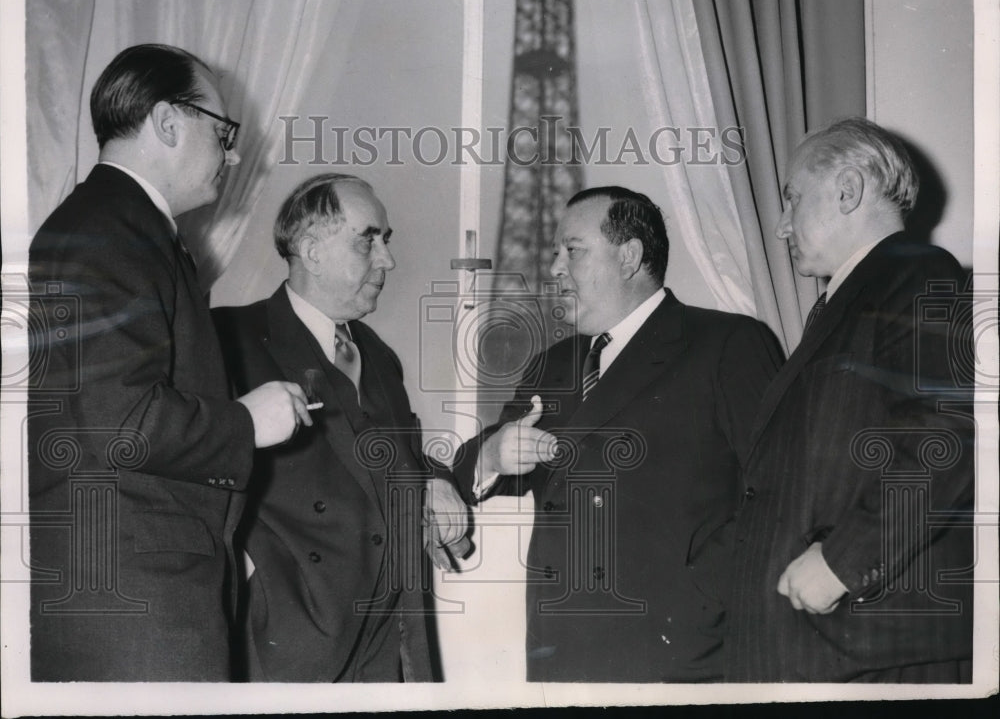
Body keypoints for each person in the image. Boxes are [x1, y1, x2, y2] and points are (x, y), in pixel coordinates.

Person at [28, 44, 311, 681]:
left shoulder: (119, 229)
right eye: (223, 131)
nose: (233, 153)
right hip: (134, 601)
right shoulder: (107, 231)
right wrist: (246, 421)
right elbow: (117, 420)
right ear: (166, 122)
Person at [451, 186, 784, 682]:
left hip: (680, 653)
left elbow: (778, 493)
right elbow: (465, 467)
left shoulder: (728, 343)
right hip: (563, 650)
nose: (556, 268)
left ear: (629, 257)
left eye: (573, 250)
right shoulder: (553, 365)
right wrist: (495, 454)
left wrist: (702, 599)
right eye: (556, 253)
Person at [727, 116, 974, 682]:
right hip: (826, 647)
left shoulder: (916, 273)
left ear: (847, 188)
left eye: (792, 200)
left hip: (867, 645)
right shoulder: (854, 298)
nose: (783, 227)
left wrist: (845, 564)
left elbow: (947, 436)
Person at [212, 173, 468, 682]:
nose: (388, 260)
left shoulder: (377, 353)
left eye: (386, 241)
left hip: (389, 650)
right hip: (288, 649)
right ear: (311, 249)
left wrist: (433, 479)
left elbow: (401, 450)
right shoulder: (228, 340)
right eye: (367, 239)